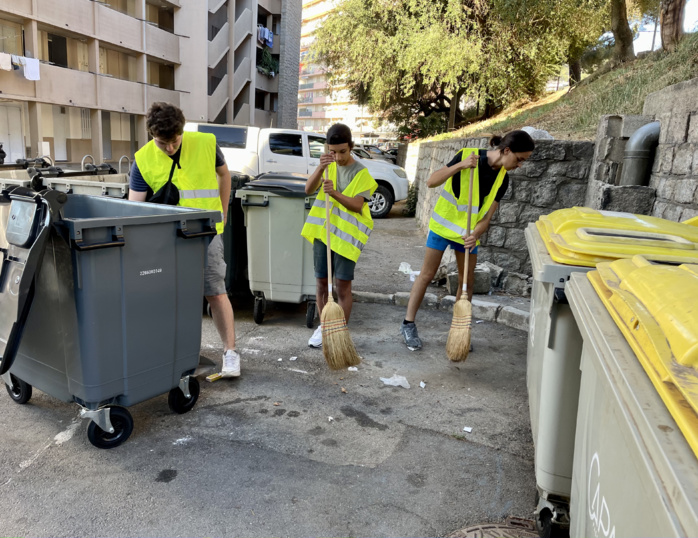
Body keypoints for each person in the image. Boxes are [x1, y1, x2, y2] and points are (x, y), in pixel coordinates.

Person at [128, 102, 241, 378]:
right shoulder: (142, 159)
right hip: (167, 241)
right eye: (161, 142)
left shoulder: (204, 142)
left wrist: (223, 214)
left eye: (174, 140)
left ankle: (230, 353)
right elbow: (135, 208)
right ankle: (172, 352)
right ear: (151, 134)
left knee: (215, 290)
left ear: (183, 130)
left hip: (206, 233)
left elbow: (224, 174)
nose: (169, 147)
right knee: (168, 296)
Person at [400, 130, 535, 351]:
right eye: (519, 160)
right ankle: (408, 323)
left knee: (467, 282)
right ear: (507, 150)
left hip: (468, 235)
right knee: (426, 275)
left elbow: (487, 217)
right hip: (443, 227)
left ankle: (460, 330)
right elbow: (432, 181)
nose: (520, 165)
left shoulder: (503, 179)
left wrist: (476, 234)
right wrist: (459, 166)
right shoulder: (467, 154)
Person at [301, 123, 378, 348]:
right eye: (333, 152)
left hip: (345, 241)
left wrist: (333, 192)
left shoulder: (362, 173)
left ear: (351, 147)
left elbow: (357, 205)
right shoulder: (328, 165)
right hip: (323, 236)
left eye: (343, 151)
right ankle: (325, 328)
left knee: (342, 288)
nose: (338, 157)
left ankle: (339, 332)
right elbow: (308, 189)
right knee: (321, 285)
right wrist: (319, 168)